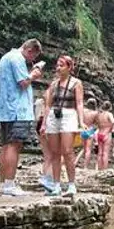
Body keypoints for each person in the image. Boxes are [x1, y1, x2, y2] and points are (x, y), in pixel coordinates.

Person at [0, 39, 44, 196]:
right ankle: (9, 184)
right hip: (17, 110)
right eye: (32, 57)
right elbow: (23, 82)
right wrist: (34, 75)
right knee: (14, 146)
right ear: (29, 50)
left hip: (5, 109)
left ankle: (3, 184)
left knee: (6, 145)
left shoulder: (6, 57)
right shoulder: (17, 59)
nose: (32, 61)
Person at [41, 55, 86, 196]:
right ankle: (56, 185)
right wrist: (44, 123)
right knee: (54, 152)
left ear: (69, 67)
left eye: (61, 65)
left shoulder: (76, 83)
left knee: (67, 151)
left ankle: (72, 185)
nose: (58, 68)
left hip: (69, 115)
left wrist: (81, 121)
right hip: (54, 116)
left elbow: (79, 103)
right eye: (57, 65)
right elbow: (48, 105)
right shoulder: (53, 84)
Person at [35, 95, 54, 190]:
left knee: (47, 156)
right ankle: (49, 179)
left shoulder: (39, 103)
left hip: (39, 124)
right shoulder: (50, 105)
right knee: (55, 156)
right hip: (48, 124)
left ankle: (46, 178)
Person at [75, 98, 99, 169]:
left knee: (83, 148)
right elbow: (97, 124)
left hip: (82, 130)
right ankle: (85, 167)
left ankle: (75, 162)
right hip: (90, 130)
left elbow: (79, 120)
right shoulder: (95, 113)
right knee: (88, 150)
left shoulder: (83, 111)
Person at [95, 101, 114, 170]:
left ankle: (99, 169)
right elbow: (113, 122)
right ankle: (105, 170)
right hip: (106, 134)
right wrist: (109, 130)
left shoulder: (99, 115)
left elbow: (97, 123)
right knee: (105, 153)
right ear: (110, 107)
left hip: (99, 134)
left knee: (100, 153)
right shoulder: (109, 114)